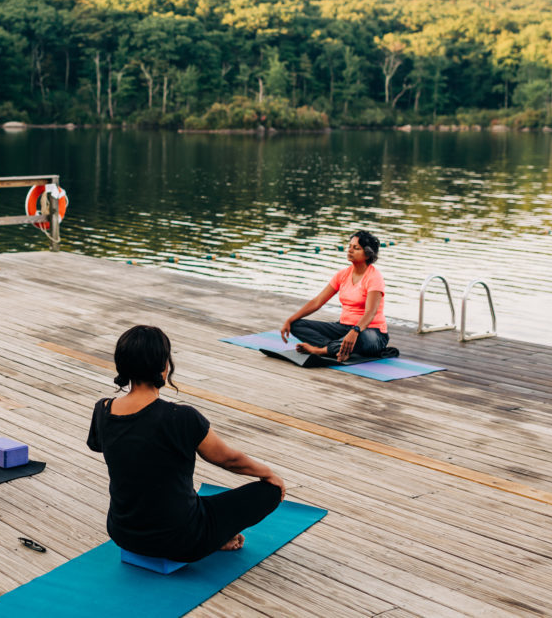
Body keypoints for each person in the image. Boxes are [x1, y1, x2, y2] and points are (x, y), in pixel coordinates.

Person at [87, 325, 285, 563]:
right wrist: (269, 475)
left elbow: (104, 446)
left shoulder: (103, 410)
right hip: (183, 539)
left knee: (197, 502)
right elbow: (227, 459)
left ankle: (214, 535)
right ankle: (213, 538)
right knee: (269, 492)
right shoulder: (180, 417)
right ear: (164, 366)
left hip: (123, 532)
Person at [281, 230, 397, 362]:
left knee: (362, 338)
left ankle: (321, 350)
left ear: (367, 253)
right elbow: (318, 301)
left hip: (371, 332)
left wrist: (355, 331)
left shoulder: (374, 277)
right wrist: (290, 320)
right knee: (297, 325)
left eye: (356, 248)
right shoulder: (342, 275)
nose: (350, 250)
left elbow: (370, 312)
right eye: (350, 247)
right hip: (343, 327)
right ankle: (339, 347)